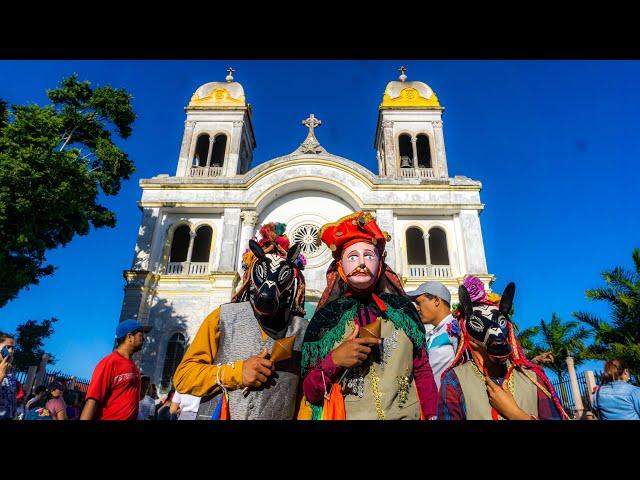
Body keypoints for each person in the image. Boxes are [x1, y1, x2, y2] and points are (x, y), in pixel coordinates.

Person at [300, 211, 438, 420]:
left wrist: (433, 416)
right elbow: (311, 391)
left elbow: (423, 372)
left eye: (369, 256)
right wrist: (334, 360)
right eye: (353, 256)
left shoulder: (403, 312)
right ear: (340, 266)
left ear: (380, 264)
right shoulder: (325, 319)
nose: (361, 263)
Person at [173, 222, 308, 420]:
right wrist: (235, 373)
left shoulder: (303, 330)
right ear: (250, 275)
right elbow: (184, 377)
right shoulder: (223, 318)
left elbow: (305, 399)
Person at [438, 279, 568, 420]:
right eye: (476, 322)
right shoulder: (454, 380)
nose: (496, 333)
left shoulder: (534, 378)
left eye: (501, 322)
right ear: (465, 331)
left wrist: (516, 414)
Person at [80, 319, 151, 420]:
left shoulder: (133, 366)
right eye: (141, 335)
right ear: (130, 337)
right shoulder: (109, 363)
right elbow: (92, 400)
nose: (143, 339)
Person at [406, 281, 459, 391]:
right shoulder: (431, 334)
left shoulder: (455, 328)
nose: (417, 308)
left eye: (419, 302)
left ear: (436, 301)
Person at [0, 331, 17, 420]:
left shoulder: (11, 370)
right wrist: (1, 374)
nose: (11, 351)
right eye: (7, 347)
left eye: (13, 348)